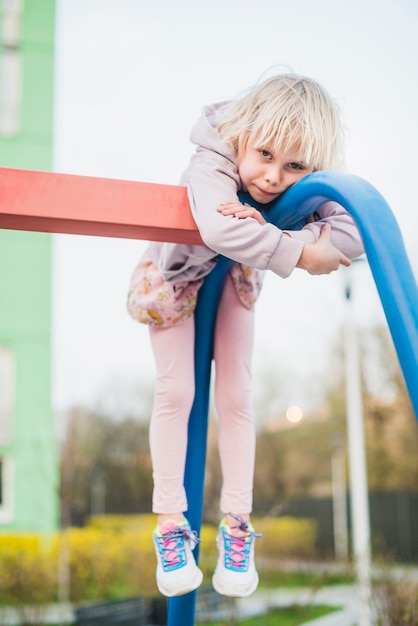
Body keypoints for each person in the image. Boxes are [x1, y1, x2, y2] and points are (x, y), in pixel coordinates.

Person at [127, 73, 364, 599]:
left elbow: (353, 230)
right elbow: (218, 227)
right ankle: (170, 523)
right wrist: (303, 248)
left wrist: (281, 234)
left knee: (237, 397)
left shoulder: (304, 181)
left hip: (236, 280)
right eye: (265, 155)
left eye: (295, 167)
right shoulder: (211, 159)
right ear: (245, 134)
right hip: (176, 282)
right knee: (178, 392)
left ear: (313, 165)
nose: (275, 177)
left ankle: (236, 525)